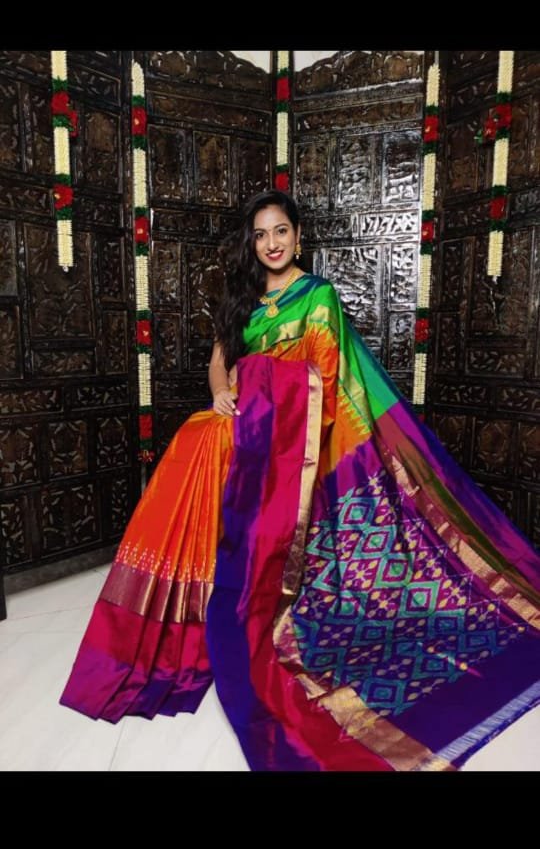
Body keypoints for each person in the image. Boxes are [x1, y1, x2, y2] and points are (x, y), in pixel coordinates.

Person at [60, 190, 540, 771]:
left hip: (292, 438)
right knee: (194, 439)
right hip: (244, 424)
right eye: (261, 234)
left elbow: (325, 380)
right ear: (252, 243)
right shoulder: (243, 299)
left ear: (298, 236)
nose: (272, 243)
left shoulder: (317, 296)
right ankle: (175, 604)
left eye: (281, 231)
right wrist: (223, 391)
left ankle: (232, 592)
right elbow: (220, 360)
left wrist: (265, 394)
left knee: (209, 452)